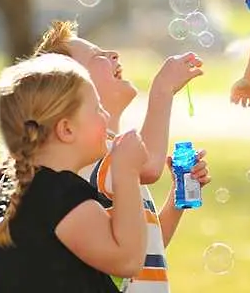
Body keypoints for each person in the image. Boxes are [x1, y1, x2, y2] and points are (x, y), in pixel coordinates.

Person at [32, 21, 211, 293]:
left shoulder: (114, 158)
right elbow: (150, 165)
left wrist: (178, 196)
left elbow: (143, 246)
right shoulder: (89, 154)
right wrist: (162, 89)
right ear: (73, 92)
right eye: (98, 56)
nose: (113, 54)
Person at [0, 53, 149, 292]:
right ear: (67, 129)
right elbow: (128, 260)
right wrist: (127, 171)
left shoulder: (9, 190)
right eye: (98, 109)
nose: (105, 117)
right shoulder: (62, 196)